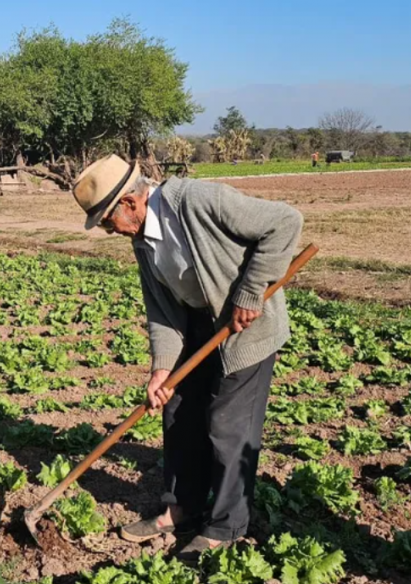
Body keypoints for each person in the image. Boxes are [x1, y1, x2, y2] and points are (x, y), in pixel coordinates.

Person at [71, 155, 303, 561]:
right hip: (199, 327)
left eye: (107, 221)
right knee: (177, 410)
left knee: (228, 424)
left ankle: (225, 525)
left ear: (129, 202)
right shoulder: (142, 241)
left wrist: (250, 293)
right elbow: (162, 311)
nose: (109, 230)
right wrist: (162, 370)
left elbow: (285, 222)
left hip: (244, 328)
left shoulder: (197, 201)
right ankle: (182, 507)